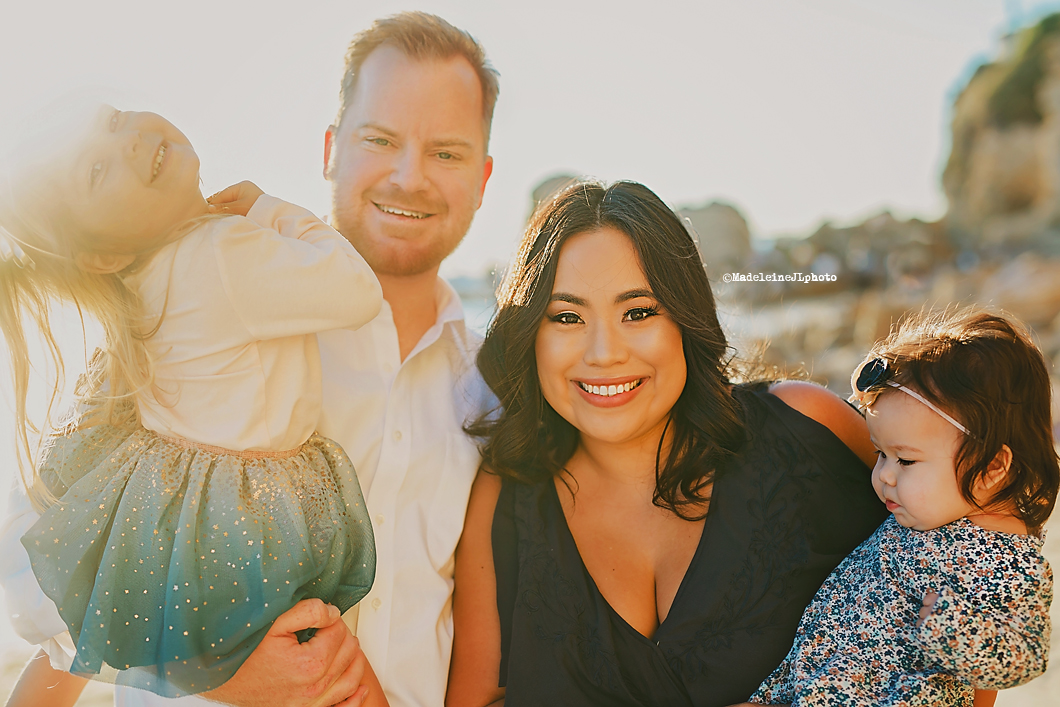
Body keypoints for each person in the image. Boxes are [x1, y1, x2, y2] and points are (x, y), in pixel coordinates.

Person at [0, 10, 498, 707]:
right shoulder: (207, 307)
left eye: (446, 152)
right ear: (331, 149)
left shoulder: (495, 388)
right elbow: (49, 572)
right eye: (380, 139)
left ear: (483, 178)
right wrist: (214, 670)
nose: (409, 175)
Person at [446, 181, 998, 707]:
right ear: (530, 336)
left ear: (684, 320)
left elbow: (982, 572)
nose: (603, 352)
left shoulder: (806, 430)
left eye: (638, 312)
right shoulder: (506, 495)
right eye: (565, 316)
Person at [0, 102, 385, 704]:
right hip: (251, 517)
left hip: (178, 519)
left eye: (112, 119)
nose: (125, 142)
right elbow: (356, 289)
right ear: (101, 255)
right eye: (96, 172)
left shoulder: (138, 286)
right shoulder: (224, 252)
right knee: (315, 653)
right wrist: (272, 210)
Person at [750, 311, 1056, 706]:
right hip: (811, 681)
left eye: (906, 461)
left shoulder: (1008, 562)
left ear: (992, 468)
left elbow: (1026, 657)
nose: (884, 476)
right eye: (881, 453)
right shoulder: (932, 512)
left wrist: (952, 629)